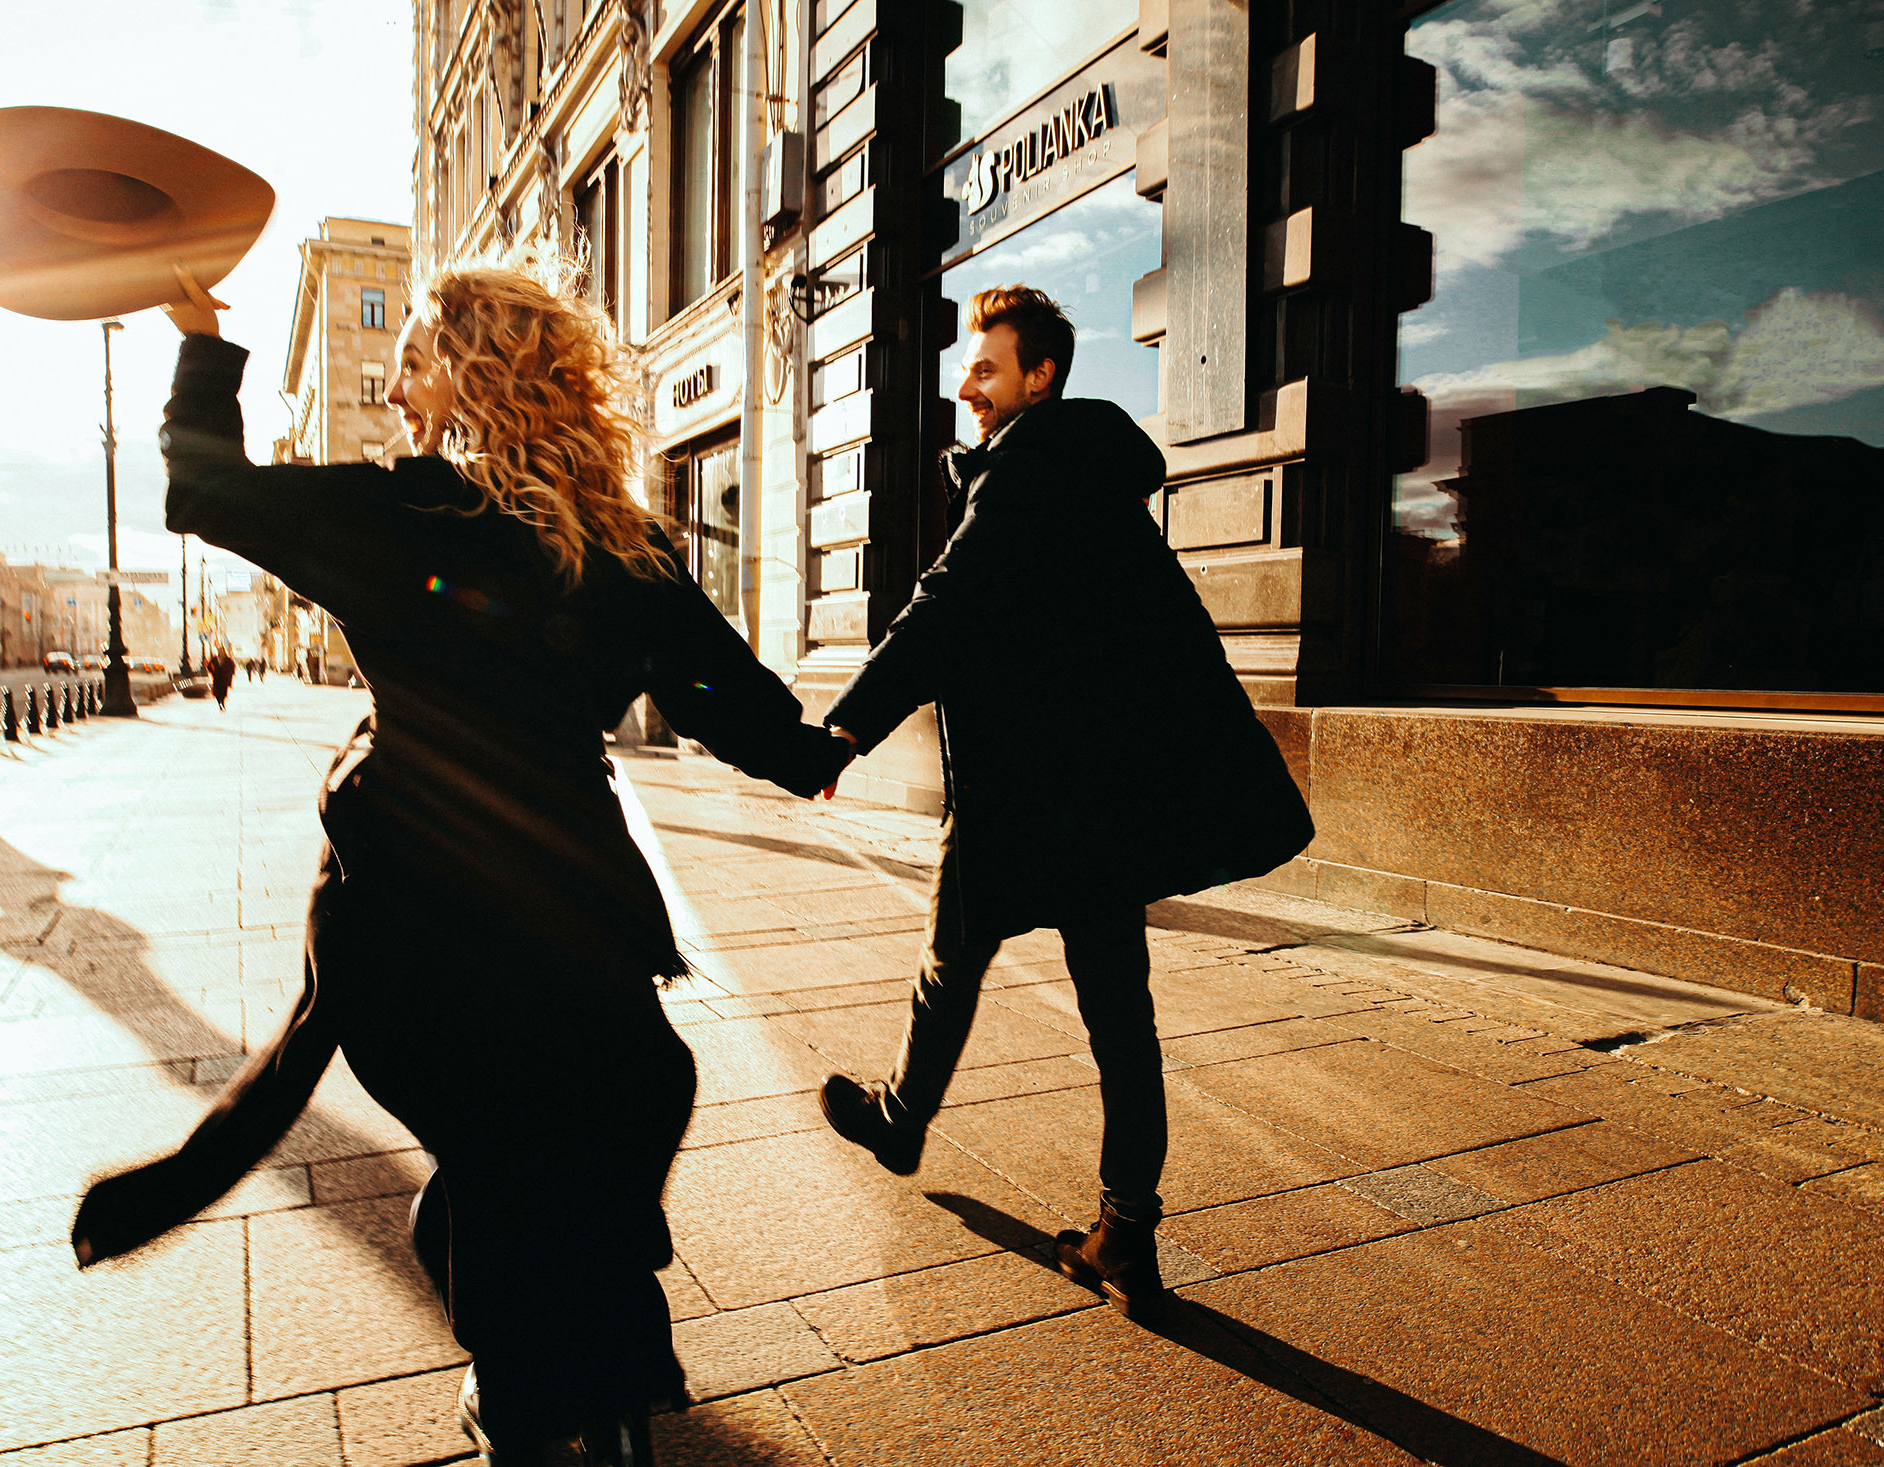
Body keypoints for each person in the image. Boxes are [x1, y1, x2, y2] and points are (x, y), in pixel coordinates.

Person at [69, 255, 852, 1467]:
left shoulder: (404, 518)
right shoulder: (622, 545)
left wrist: (197, 337)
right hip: (573, 912)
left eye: (417, 356)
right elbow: (736, 706)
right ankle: (601, 1392)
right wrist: (824, 749)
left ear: (473, 380)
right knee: (570, 1138)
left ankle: (525, 1402)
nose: (392, 384)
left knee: (494, 1164)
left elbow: (204, 494)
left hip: (413, 925)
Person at [815, 285, 1313, 1320]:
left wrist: (846, 728)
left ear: (1038, 377)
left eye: (986, 368)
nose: (968, 385)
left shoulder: (1030, 468)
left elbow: (941, 608)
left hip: (1019, 790)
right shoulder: (1094, 476)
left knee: (951, 961)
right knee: (1117, 1014)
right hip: (1098, 799)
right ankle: (1125, 1232)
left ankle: (905, 1121)